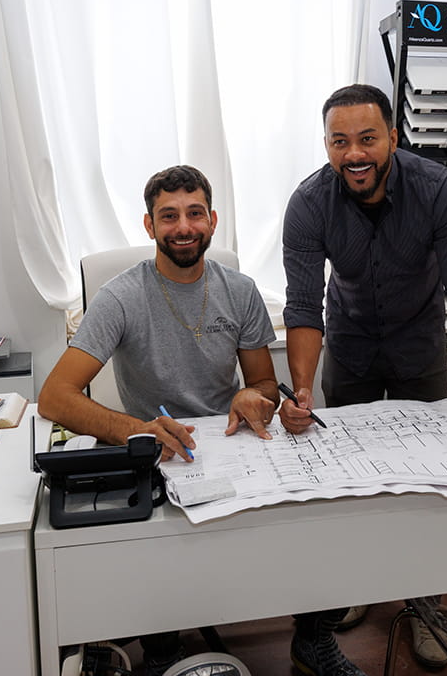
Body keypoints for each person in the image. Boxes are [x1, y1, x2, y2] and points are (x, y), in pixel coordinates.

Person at [280, 84, 447, 669]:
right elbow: (302, 308)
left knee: (427, 481)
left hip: (420, 346)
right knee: (349, 478)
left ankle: (425, 605)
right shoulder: (309, 204)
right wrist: (300, 391)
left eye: (367, 138)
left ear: (393, 137)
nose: (354, 154)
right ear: (327, 145)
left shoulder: (437, 191)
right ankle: (354, 586)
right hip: (350, 347)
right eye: (339, 142)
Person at [38, 165, 279, 675]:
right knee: (160, 562)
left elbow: (265, 385)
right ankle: (162, 648)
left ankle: (311, 638)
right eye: (169, 216)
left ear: (213, 220)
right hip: (157, 456)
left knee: (303, 525)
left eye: (195, 213)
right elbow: (55, 399)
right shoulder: (121, 296)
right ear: (149, 225)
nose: (184, 227)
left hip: (229, 446)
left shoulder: (240, 290)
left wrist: (251, 396)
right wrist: (138, 430)